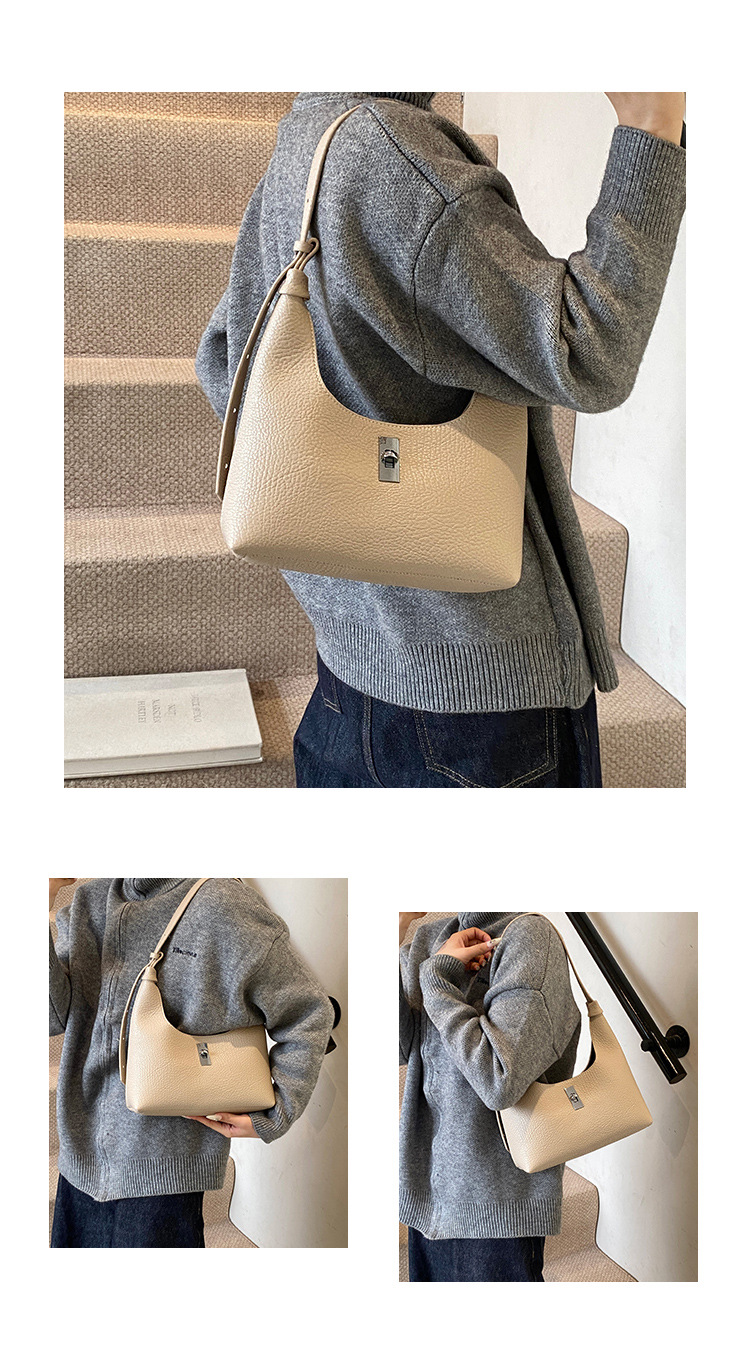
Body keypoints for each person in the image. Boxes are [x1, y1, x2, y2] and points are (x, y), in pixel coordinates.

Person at [196, 92, 685, 789]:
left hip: (348, 674)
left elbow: (222, 362)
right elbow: (588, 351)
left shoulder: (308, 135)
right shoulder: (393, 155)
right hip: (475, 702)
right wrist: (652, 125)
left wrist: (355, 490)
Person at [49, 877, 334, 1248]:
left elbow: (308, 1012)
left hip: (164, 1174)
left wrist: (278, 1110)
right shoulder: (89, 902)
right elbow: (51, 1017)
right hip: (79, 1160)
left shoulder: (223, 904)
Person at [399, 910, 582, 1282]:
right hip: (429, 1193)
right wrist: (396, 931)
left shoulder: (530, 938)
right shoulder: (428, 938)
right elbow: (400, 1047)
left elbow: (499, 1079)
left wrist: (436, 980)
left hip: (495, 1204)